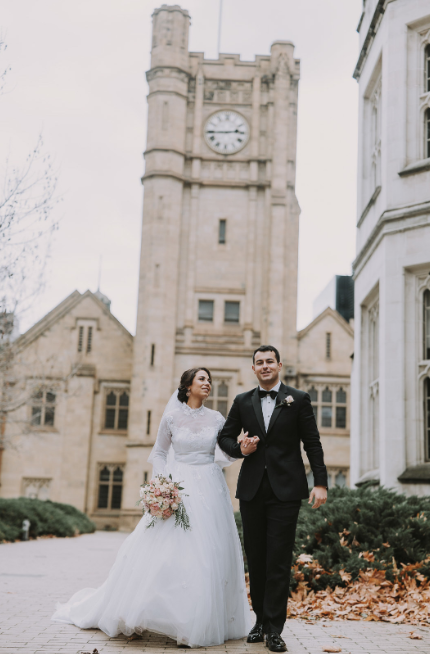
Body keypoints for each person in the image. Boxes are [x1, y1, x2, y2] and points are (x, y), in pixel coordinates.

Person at [52, 367, 252, 647]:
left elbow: (225, 450)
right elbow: (159, 452)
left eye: (210, 380)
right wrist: (162, 485)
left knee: (207, 552)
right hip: (178, 486)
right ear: (188, 386)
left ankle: (191, 623)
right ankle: (134, 615)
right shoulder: (171, 417)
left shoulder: (217, 418)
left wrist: (241, 448)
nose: (208, 384)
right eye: (203, 379)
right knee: (162, 549)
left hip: (210, 487)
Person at [218, 346, 328, 653]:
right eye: (259, 362)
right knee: (257, 558)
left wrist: (320, 482)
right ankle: (259, 621)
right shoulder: (242, 401)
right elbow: (224, 437)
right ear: (253, 368)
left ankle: (275, 629)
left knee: (278, 560)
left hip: (287, 491)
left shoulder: (299, 399)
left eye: (270, 361)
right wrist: (242, 449)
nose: (265, 366)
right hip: (252, 490)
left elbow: (313, 443)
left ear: (279, 365)